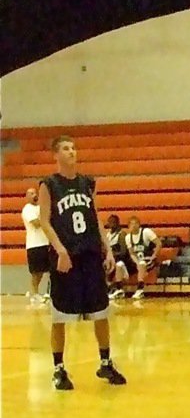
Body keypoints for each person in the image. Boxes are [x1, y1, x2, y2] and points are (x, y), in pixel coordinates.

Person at [38, 136, 127, 391]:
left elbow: (95, 217)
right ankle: (58, 369)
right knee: (60, 315)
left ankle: (105, 362)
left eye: (74, 148)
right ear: (56, 155)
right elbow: (44, 221)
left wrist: (108, 250)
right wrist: (60, 250)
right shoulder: (49, 184)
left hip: (90, 254)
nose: (72, 152)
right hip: (66, 257)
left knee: (101, 311)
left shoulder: (87, 183)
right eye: (66, 148)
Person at [21, 186, 50, 304]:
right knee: (36, 272)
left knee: (47, 270)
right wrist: (45, 218)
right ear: (27, 197)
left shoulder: (40, 207)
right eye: (31, 193)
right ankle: (34, 293)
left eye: (35, 193)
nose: (34, 195)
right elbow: (37, 223)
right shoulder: (27, 209)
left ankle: (48, 292)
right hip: (34, 244)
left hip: (45, 242)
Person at [122, 215, 159, 300]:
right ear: (128, 226)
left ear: (139, 224)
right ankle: (118, 289)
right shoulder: (128, 237)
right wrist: (136, 262)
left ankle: (140, 289)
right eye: (131, 224)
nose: (134, 226)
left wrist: (154, 255)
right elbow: (131, 253)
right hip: (137, 260)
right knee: (119, 264)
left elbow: (159, 243)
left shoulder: (146, 232)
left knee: (142, 263)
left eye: (135, 223)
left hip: (148, 259)